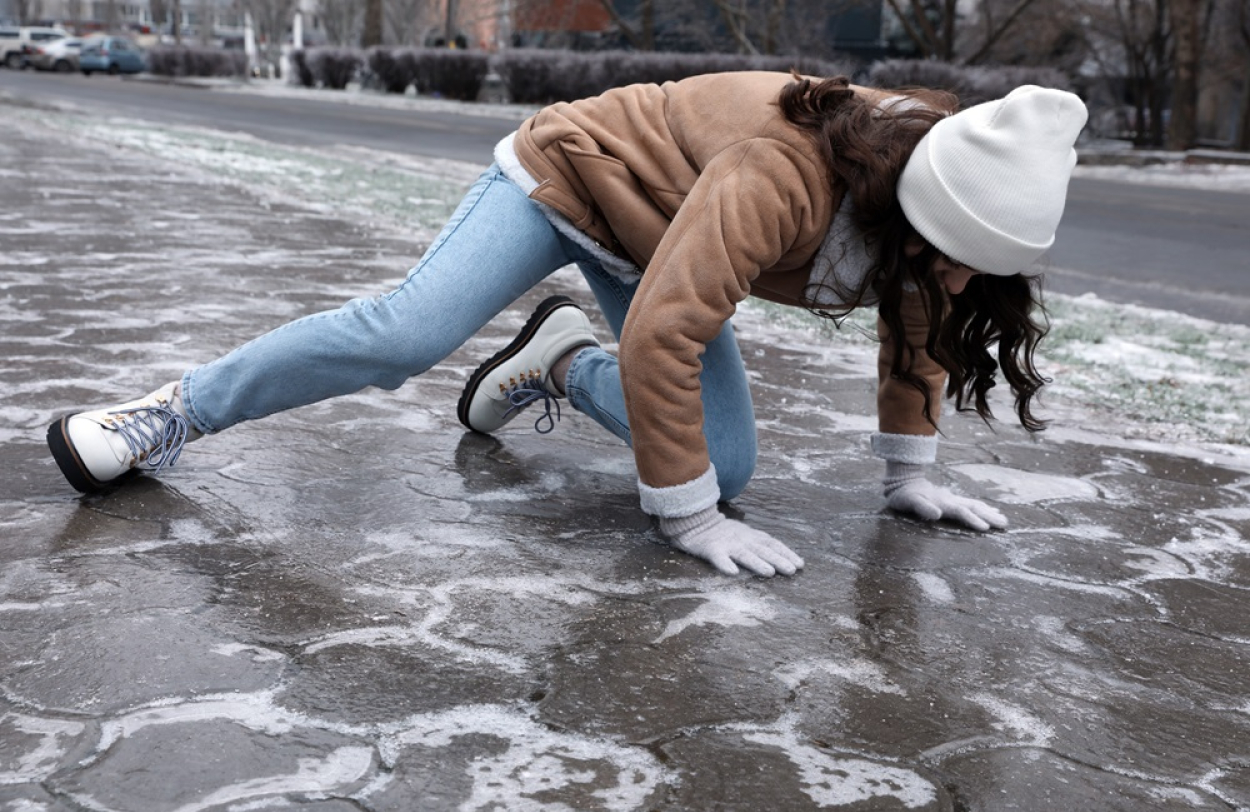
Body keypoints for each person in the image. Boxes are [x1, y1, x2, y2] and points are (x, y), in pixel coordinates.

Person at [45, 72, 1088, 578]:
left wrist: (907, 472)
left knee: (718, 464)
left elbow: (916, 317)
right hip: (572, 177)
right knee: (404, 334)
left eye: (976, 264)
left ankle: (556, 358)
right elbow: (669, 334)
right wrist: (680, 524)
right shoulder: (787, 174)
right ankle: (169, 411)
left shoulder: (948, 210)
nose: (955, 274)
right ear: (910, 197)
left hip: (665, 239)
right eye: (948, 249)